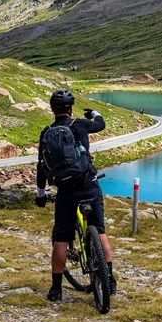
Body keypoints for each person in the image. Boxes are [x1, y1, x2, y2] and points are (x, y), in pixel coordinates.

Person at [35, 88, 116, 302]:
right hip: (88, 184)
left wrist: (41, 193)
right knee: (100, 231)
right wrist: (95, 113)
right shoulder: (79, 124)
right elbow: (101, 125)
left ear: (53, 110)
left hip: (65, 192)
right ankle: (110, 280)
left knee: (61, 240)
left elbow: (41, 166)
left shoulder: (47, 133)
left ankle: (55, 289)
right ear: (71, 109)